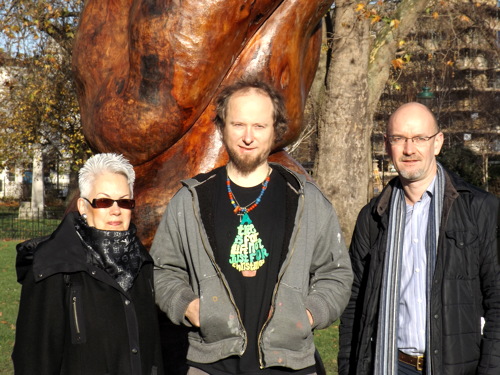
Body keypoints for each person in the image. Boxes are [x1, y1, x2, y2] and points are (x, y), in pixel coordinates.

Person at [150, 79, 353, 374]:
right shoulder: (190, 200)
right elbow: (161, 270)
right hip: (212, 362)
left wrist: (308, 315)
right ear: (222, 127)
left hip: (289, 364)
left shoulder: (306, 199)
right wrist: (189, 306)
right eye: (238, 125)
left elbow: (335, 273)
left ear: (275, 131)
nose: (248, 136)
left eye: (259, 126)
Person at [338, 102, 500, 375]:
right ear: (387, 144)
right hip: (391, 365)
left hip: (456, 368)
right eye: (399, 138)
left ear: (437, 143)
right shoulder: (373, 217)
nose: (409, 149)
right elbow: (353, 304)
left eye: (419, 139)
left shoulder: (480, 210)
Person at [12, 153, 163, 375]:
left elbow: (152, 352)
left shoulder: (141, 264)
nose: (115, 210)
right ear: (83, 206)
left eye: (124, 201)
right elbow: (34, 360)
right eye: (103, 201)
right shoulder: (52, 267)